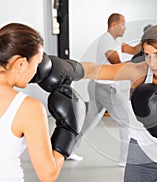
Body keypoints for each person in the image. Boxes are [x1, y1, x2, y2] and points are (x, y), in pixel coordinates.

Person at [81, 24, 157, 182]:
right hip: (139, 158)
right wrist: (66, 68)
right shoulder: (138, 71)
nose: (152, 62)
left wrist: (151, 121)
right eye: (147, 55)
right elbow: (96, 70)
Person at [0, 23, 85, 181]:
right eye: (37, 63)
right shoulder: (28, 108)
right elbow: (48, 174)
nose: (38, 71)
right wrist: (69, 130)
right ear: (21, 64)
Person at [69, 13, 141, 165]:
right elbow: (116, 64)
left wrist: (147, 39)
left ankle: (67, 149)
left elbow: (134, 50)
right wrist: (135, 64)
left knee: (89, 121)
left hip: (99, 85)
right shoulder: (107, 40)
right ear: (114, 25)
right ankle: (125, 159)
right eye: (123, 24)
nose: (125, 28)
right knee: (126, 120)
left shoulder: (114, 41)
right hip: (105, 87)